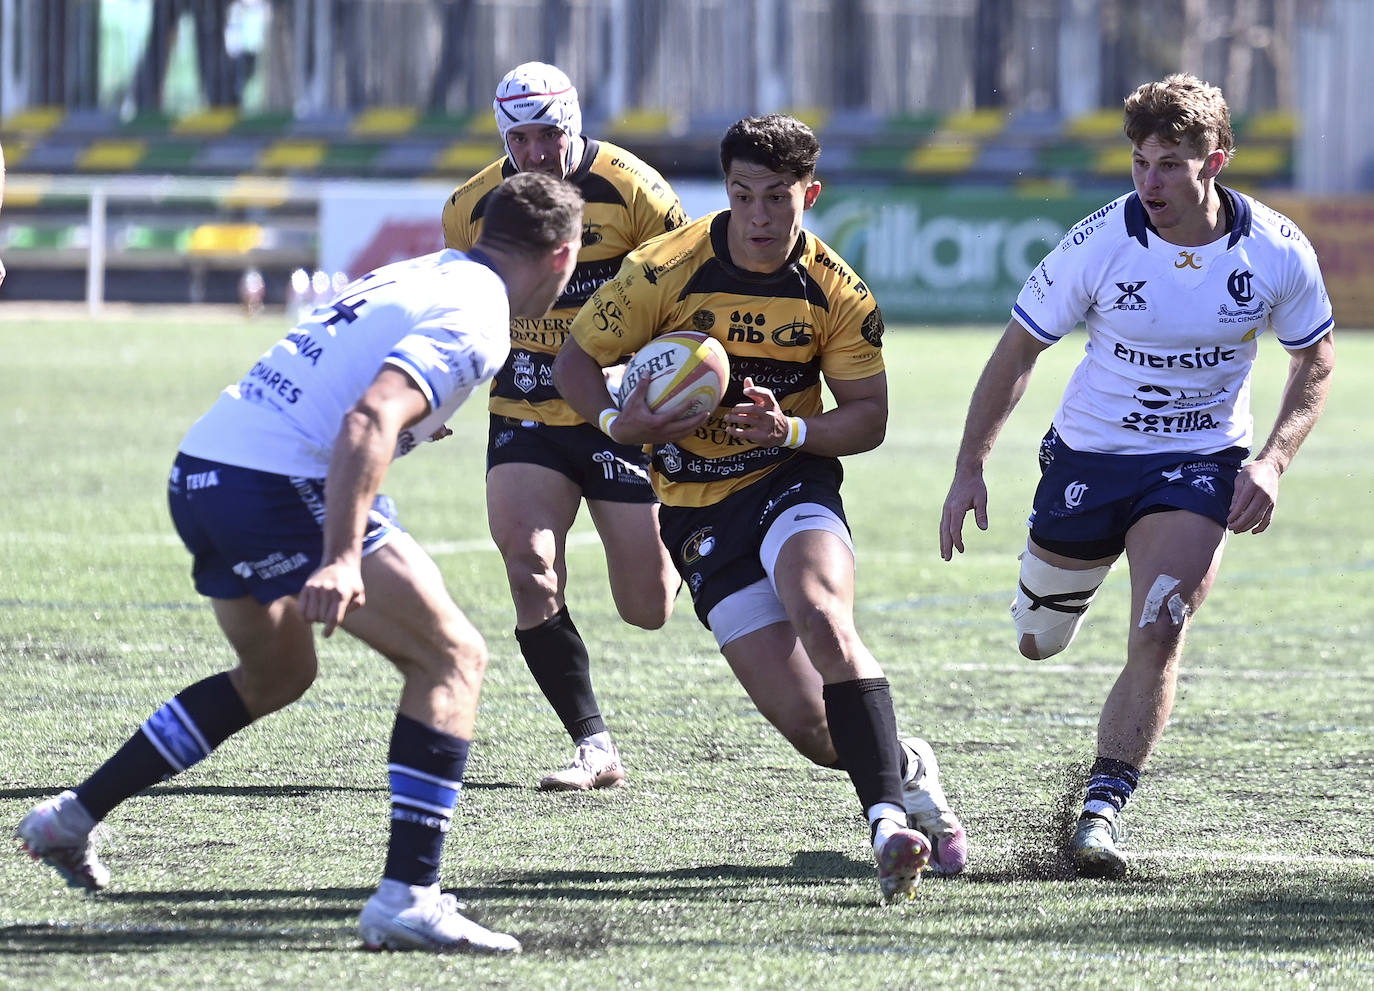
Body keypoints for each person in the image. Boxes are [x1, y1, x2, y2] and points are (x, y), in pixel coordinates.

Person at [15, 172, 586, 954]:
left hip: (205, 466)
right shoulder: (482, 314)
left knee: (277, 675)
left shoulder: (428, 269)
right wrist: (343, 556)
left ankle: (67, 819)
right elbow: (367, 417)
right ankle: (407, 896)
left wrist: (408, 429)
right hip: (273, 485)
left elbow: (345, 383)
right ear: (562, 256)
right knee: (453, 657)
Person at [552, 114, 967, 901]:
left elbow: (869, 415)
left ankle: (886, 823)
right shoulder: (663, 268)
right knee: (815, 730)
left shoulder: (835, 288)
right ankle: (905, 767)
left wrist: (793, 429)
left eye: (779, 197)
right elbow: (576, 361)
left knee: (823, 613)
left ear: (809, 193)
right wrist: (617, 420)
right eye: (744, 196)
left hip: (789, 481)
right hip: (697, 516)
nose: (761, 216)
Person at [938, 73, 1335, 879]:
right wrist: (969, 466)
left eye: (1169, 164)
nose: (1150, 180)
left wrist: (1272, 461)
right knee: (1036, 640)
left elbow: (1315, 359)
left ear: (1214, 161)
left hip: (1201, 461)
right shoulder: (1098, 241)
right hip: (1089, 458)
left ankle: (1099, 813)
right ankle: (1056, 600)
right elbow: (1019, 351)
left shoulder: (1276, 250)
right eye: (1139, 161)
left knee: (1163, 621)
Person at [441, 62, 689, 792]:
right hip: (525, 406)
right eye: (521, 139)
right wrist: (434, 401)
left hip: (619, 412)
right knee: (529, 565)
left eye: (550, 135)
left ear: (572, 126)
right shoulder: (472, 206)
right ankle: (593, 744)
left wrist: (656, 382)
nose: (537, 154)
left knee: (647, 608)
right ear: (504, 138)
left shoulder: (636, 190)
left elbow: (687, 291)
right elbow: (460, 313)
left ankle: (693, 533)